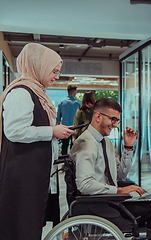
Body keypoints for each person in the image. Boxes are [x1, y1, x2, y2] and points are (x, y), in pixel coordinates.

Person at [70, 98, 151, 239]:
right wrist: (119, 190)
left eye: (117, 120)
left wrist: (128, 147)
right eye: (112, 119)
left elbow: (119, 176)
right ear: (98, 116)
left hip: (112, 199)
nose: (115, 124)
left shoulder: (105, 141)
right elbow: (85, 185)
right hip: (100, 203)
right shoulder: (86, 143)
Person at [0, 43, 74, 240]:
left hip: (32, 176)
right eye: (54, 71)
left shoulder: (36, 92)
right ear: (38, 66)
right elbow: (14, 131)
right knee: (21, 227)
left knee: (31, 225)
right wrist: (52, 131)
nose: (56, 76)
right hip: (22, 178)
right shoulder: (21, 93)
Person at [57, 84, 81, 155]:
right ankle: (72, 164)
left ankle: (64, 163)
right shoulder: (79, 103)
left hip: (65, 128)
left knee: (64, 147)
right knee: (74, 148)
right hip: (75, 128)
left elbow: (58, 118)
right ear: (75, 92)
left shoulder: (61, 102)